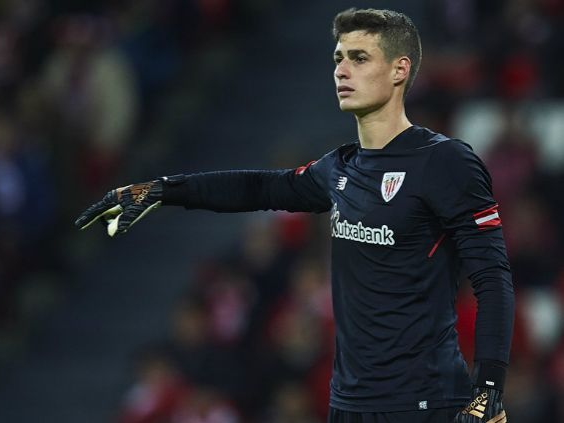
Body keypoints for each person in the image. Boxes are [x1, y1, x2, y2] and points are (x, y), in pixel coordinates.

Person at [75, 8, 513, 423]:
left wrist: (489, 386)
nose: (342, 70)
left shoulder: (445, 162)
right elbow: (259, 187)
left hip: (426, 401)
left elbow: (492, 277)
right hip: (348, 401)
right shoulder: (341, 167)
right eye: (338, 58)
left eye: (359, 58)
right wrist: (164, 189)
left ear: (400, 70)